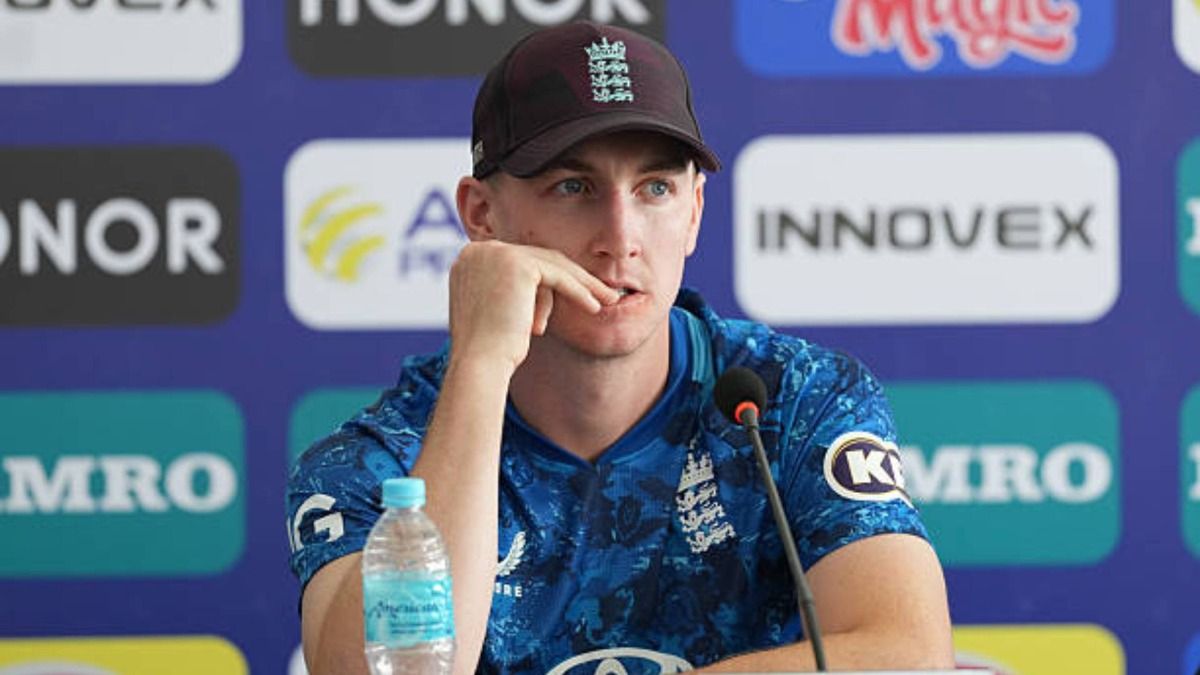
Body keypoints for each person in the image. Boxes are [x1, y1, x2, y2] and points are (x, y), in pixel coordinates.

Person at [288, 20, 953, 674]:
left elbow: (909, 655)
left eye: (655, 188)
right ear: (481, 216)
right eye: (573, 187)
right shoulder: (379, 460)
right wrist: (481, 365)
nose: (620, 236)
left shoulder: (796, 399)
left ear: (694, 211)